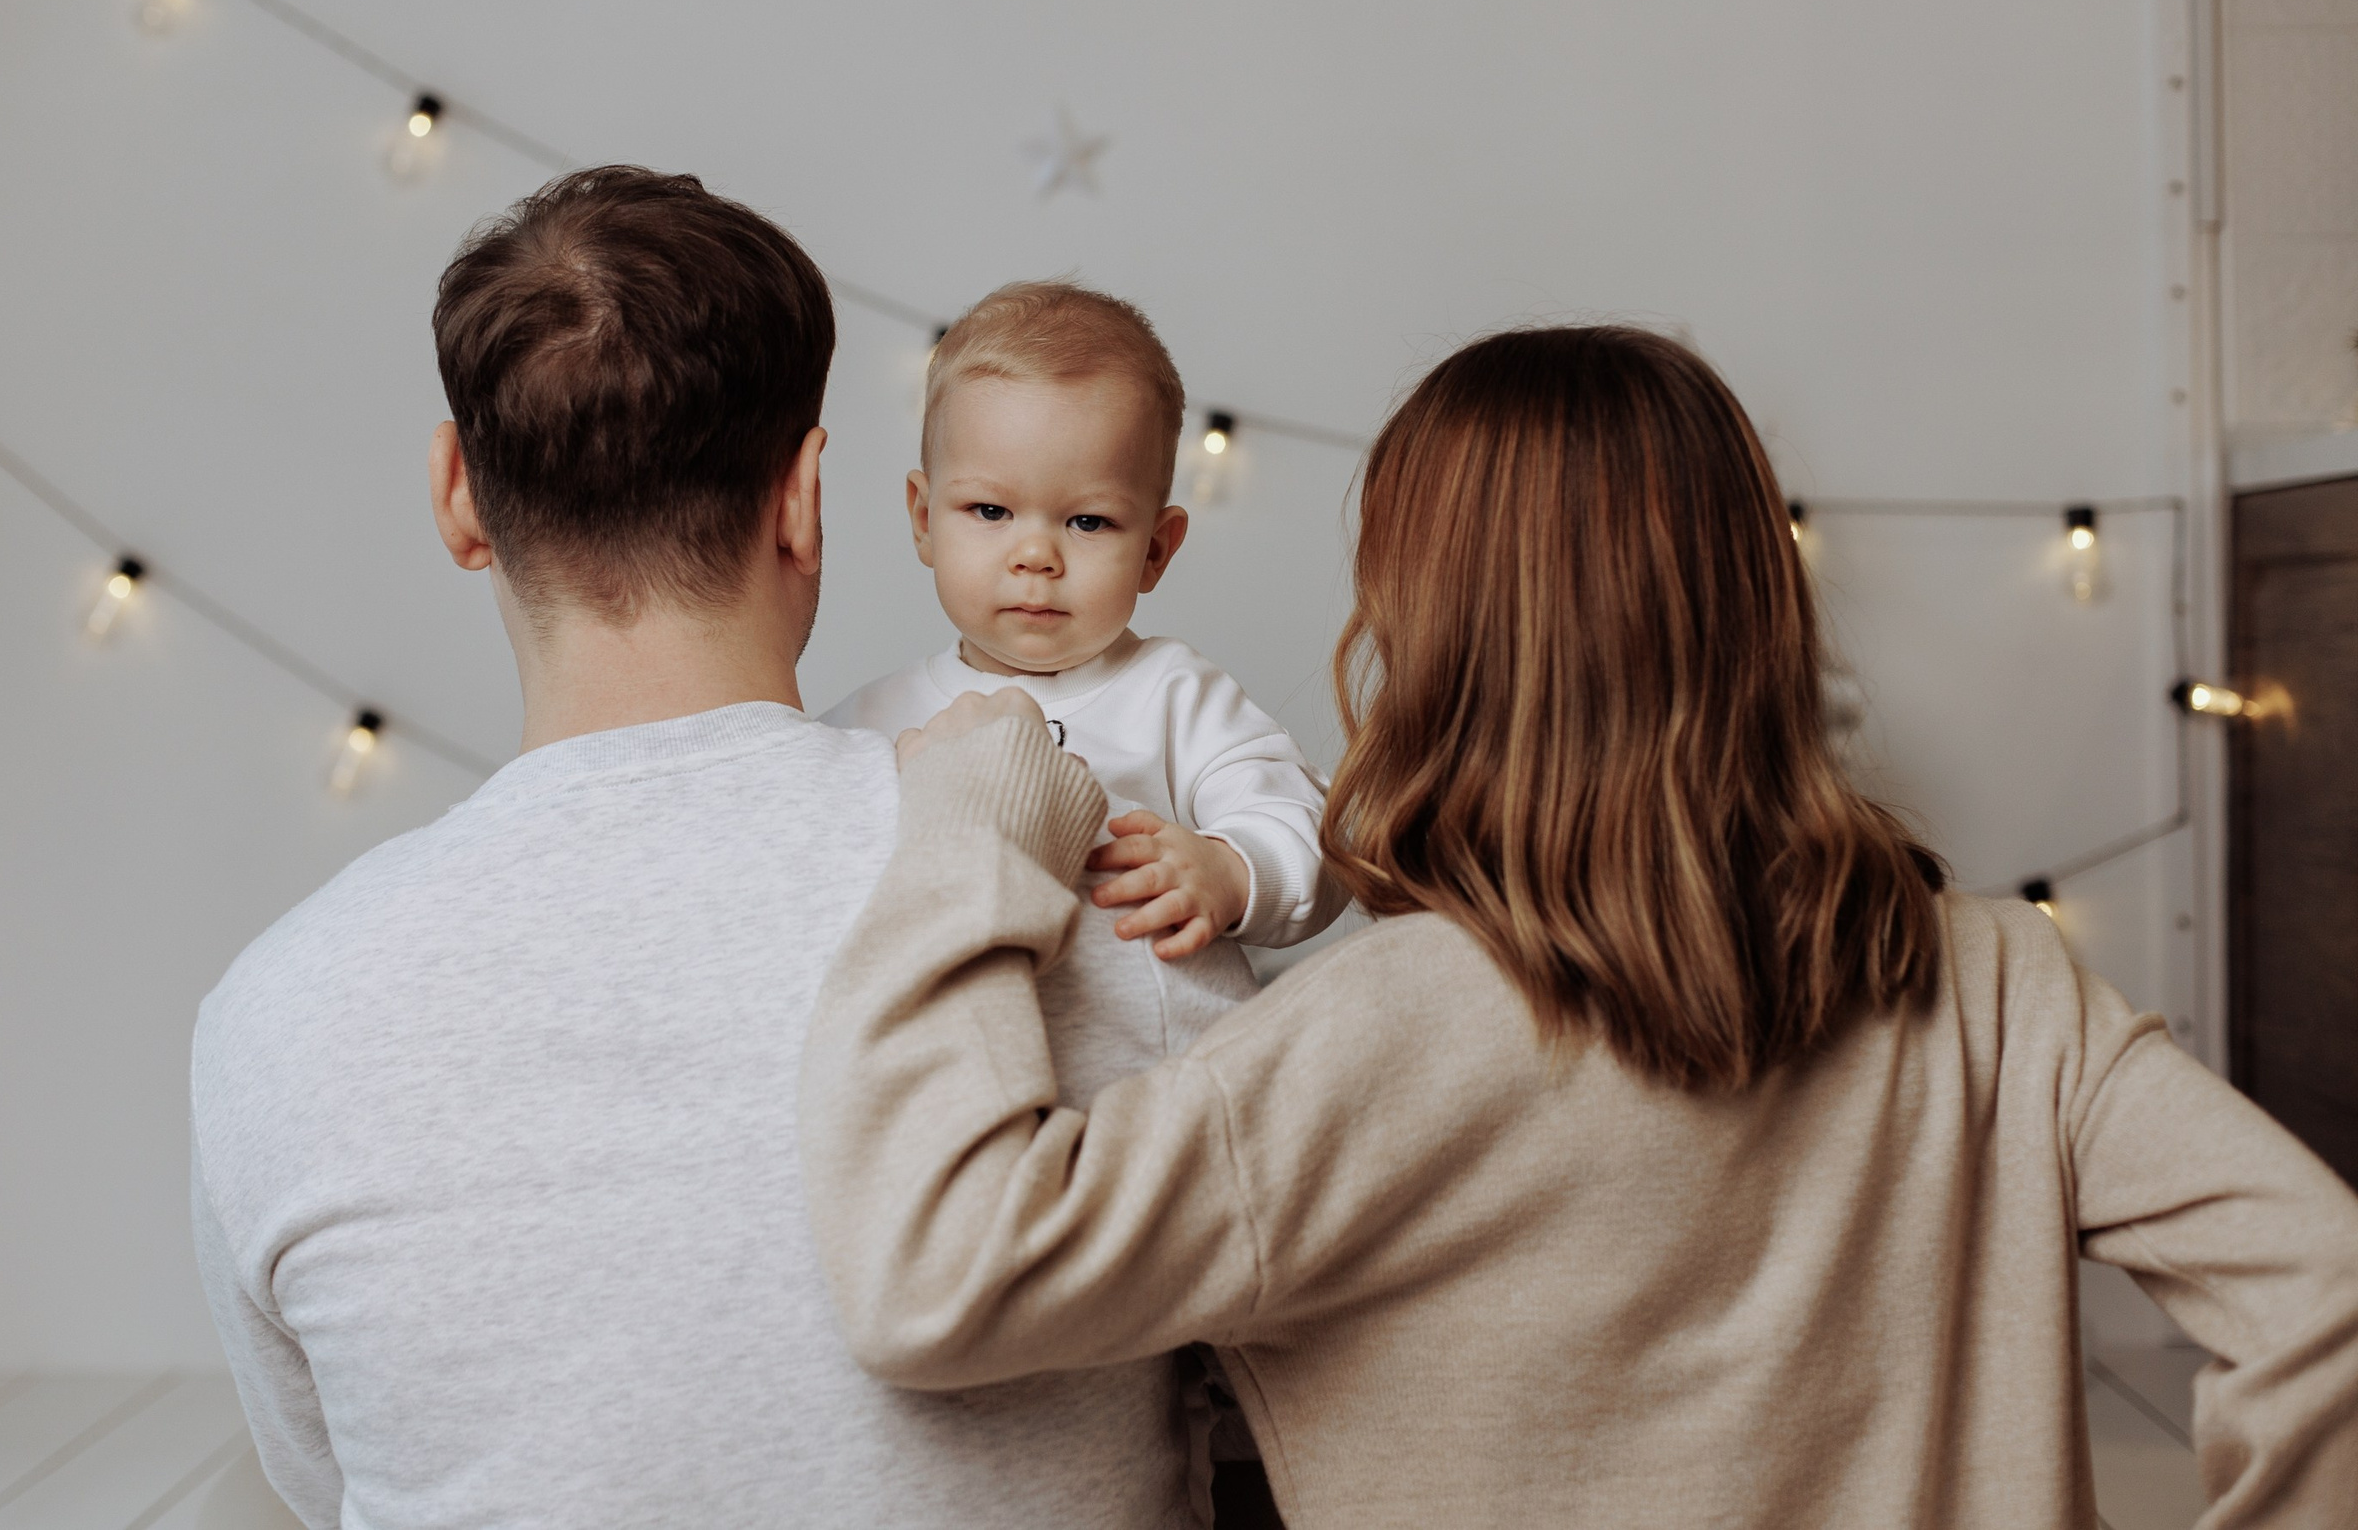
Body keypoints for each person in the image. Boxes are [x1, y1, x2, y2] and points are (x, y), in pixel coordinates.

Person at [798, 325, 2358, 1529]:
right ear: (1756, 605)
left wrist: (973, 838)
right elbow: (2328, 1293)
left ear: (1425, 636)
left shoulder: (1373, 1034)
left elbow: (938, 1278)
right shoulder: (1996, 980)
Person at [190, 167, 1211, 1528]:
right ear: (807, 498)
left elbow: (326, 1480)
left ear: (457, 494)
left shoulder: (273, 1013)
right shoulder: (1110, 888)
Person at [824, 280, 1348, 1113]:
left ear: (1156, 549)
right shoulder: (870, 723)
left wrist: (1229, 869)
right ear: (924, 518)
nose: (1036, 554)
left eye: (1089, 522)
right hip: (959, 1106)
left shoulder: (1177, 696)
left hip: (1177, 1112)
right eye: (990, 509)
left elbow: (1307, 831)